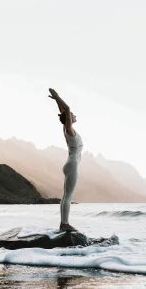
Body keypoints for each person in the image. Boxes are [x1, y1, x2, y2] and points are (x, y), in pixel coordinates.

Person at [48, 88, 83, 232]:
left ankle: (64, 223)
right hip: (72, 164)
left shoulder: (65, 128)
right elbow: (67, 110)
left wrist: (57, 101)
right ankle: (64, 224)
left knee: (65, 196)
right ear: (69, 119)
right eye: (72, 115)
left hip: (69, 163)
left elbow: (64, 112)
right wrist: (58, 96)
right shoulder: (69, 129)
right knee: (68, 196)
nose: (74, 116)